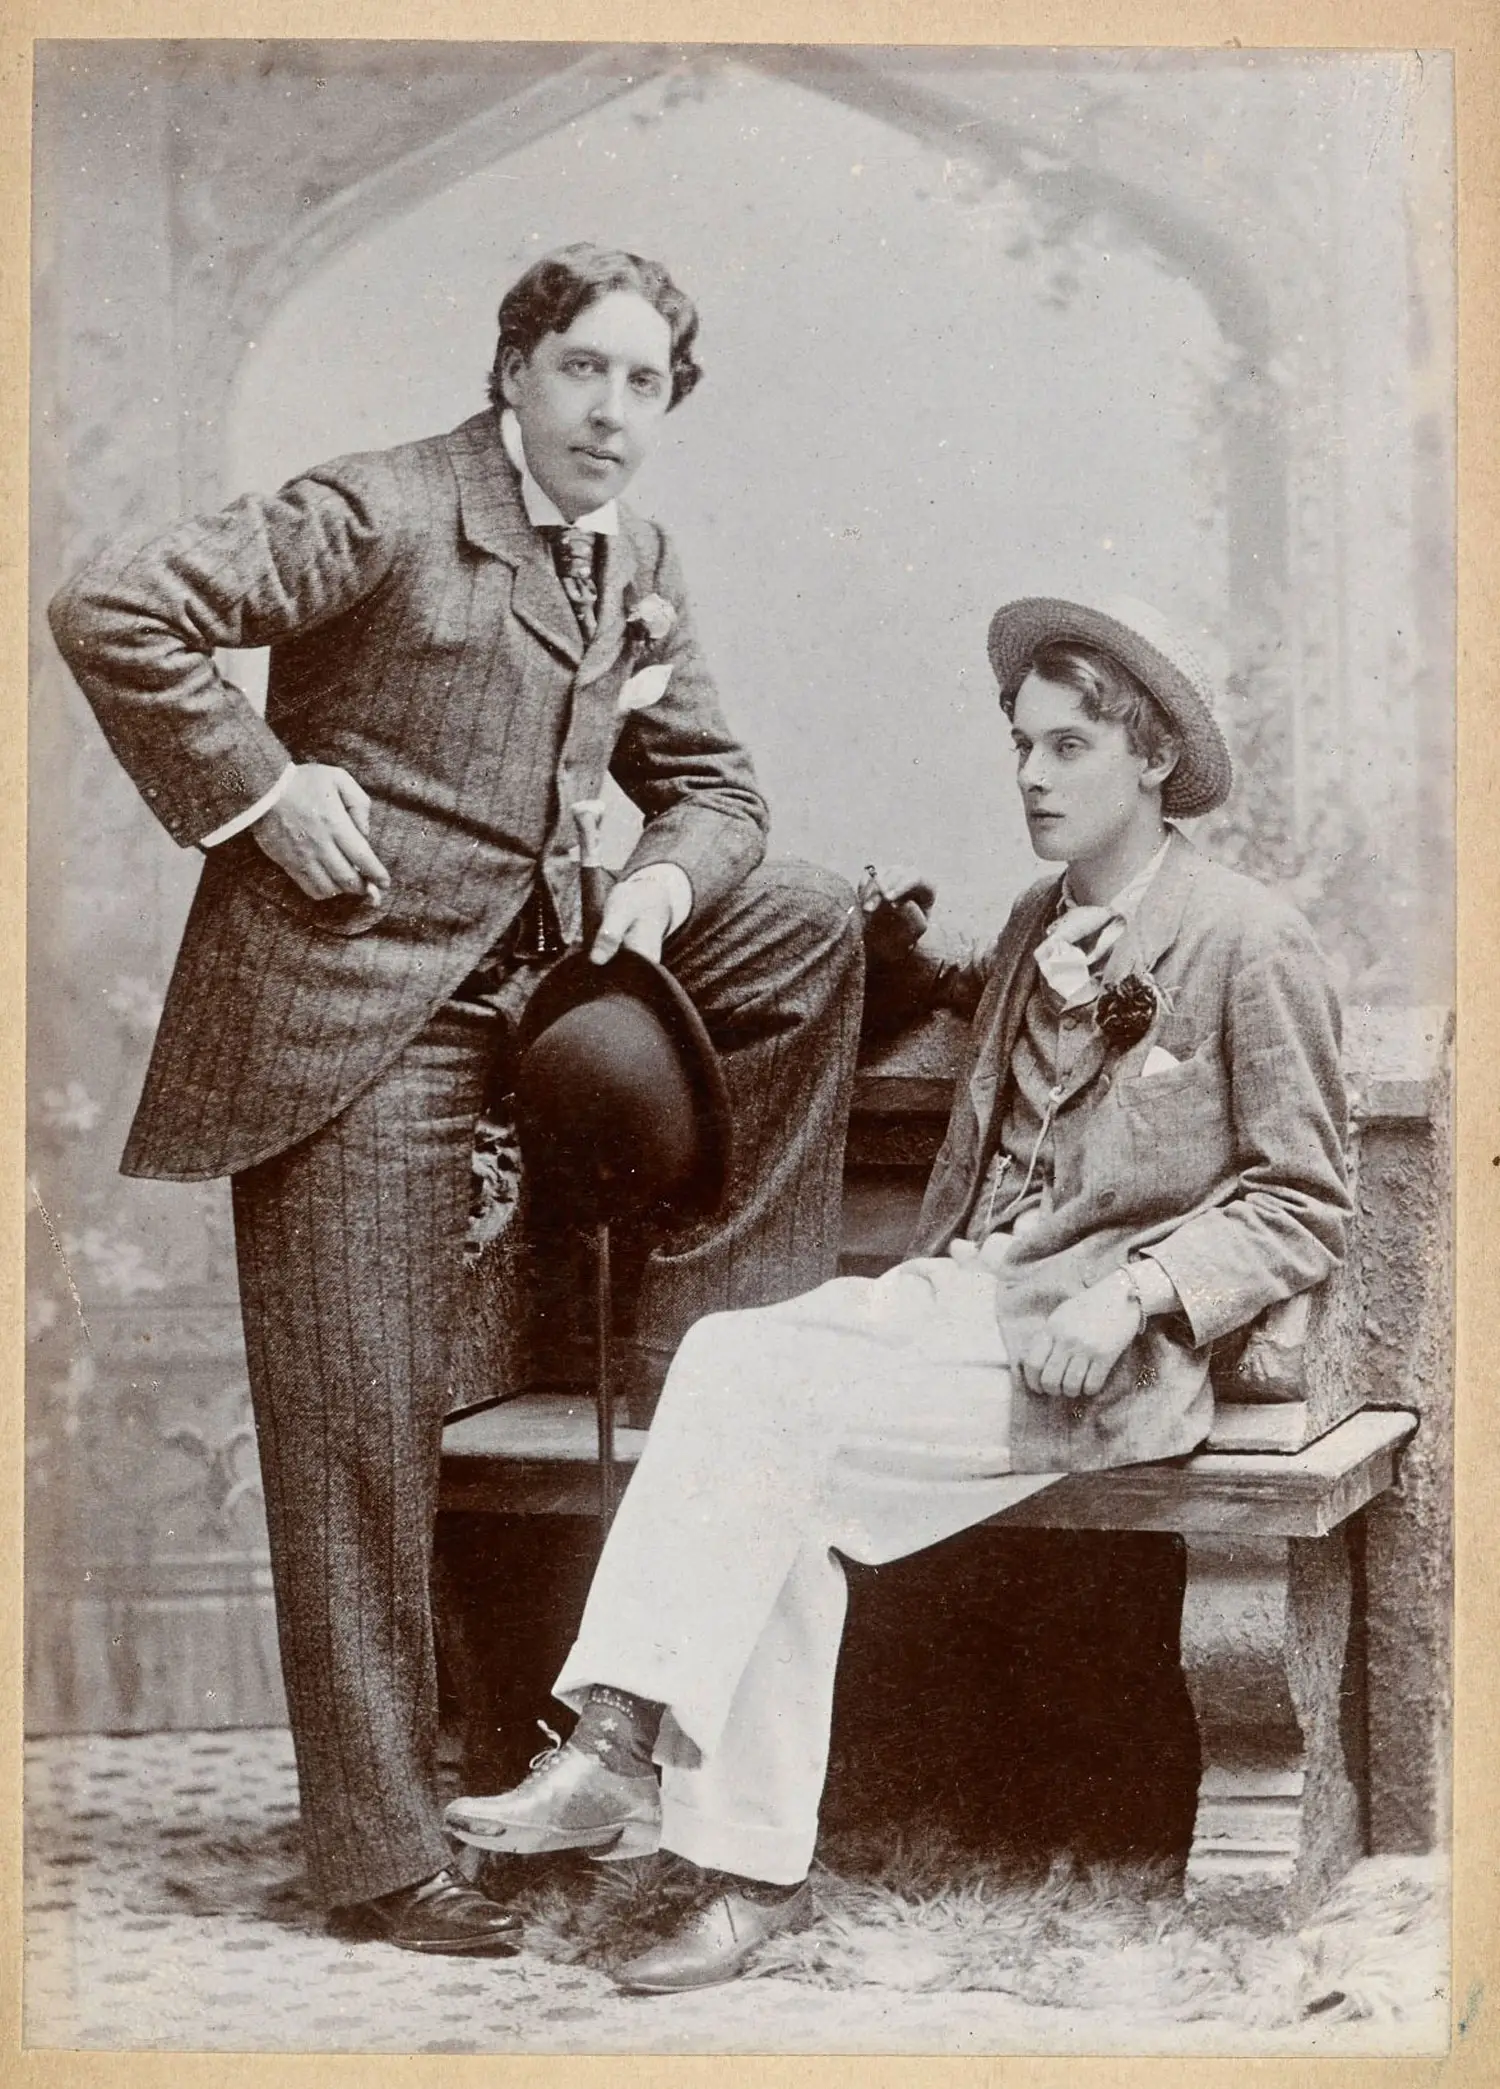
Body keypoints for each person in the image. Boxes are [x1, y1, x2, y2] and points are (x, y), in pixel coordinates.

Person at [48, 243, 863, 1956]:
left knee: (805, 914)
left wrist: (661, 883)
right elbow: (114, 604)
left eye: (646, 384)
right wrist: (262, 792)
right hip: (356, 1011)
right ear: (513, 370)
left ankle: (703, 1330)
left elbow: (721, 792)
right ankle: (380, 1861)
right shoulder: (384, 508)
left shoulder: (636, 557)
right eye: (584, 371)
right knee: (352, 1436)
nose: (613, 413)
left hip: (532, 995)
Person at [444, 594, 1354, 1993]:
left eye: (1068, 748)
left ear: (1155, 760)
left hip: (1088, 1359)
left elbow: (1305, 1200)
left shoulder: (1248, 940)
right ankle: (727, 1855)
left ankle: (635, 1765)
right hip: (959, 1301)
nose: (1031, 776)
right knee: (752, 1408)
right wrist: (892, 953)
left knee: (756, 1397)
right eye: (1020, 745)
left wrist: (1141, 1293)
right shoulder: (1040, 920)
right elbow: (974, 1006)